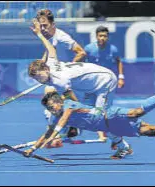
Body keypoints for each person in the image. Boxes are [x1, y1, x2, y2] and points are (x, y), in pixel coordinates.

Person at [29, 19, 132, 152]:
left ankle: (123, 143)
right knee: (83, 114)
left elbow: (74, 103)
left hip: (104, 82)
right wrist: (39, 34)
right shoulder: (51, 63)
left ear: (46, 70)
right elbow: (50, 48)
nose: (39, 80)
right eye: (35, 78)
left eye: (39, 76)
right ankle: (72, 130)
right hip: (89, 86)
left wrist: (69, 119)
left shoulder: (60, 81)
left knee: (98, 118)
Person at [23, 85, 155, 159]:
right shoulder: (56, 116)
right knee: (148, 131)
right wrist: (33, 148)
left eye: (52, 105)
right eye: (49, 107)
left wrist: (52, 137)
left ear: (57, 101)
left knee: (136, 112)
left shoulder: (68, 105)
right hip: (109, 127)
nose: (51, 109)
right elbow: (47, 133)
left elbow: (61, 124)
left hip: (110, 115)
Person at [32, 9, 107, 141]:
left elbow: (81, 52)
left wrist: (65, 70)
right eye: (41, 26)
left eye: (45, 25)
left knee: (90, 113)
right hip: (58, 77)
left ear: (53, 24)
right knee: (50, 96)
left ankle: (117, 140)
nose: (43, 28)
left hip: (74, 78)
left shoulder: (62, 38)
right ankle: (60, 130)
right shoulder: (48, 38)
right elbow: (48, 57)